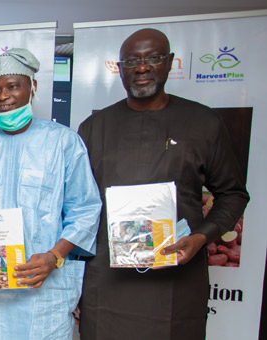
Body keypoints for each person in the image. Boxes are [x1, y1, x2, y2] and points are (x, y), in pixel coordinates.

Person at [77, 28, 250, 339]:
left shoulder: (203, 123)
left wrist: (201, 237)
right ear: (120, 69)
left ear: (170, 63)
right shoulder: (93, 128)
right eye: (131, 60)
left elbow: (233, 194)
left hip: (176, 279)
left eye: (153, 58)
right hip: (106, 281)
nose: (142, 67)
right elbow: (78, 204)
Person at [0, 48, 102, 339]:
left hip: (43, 290)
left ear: (33, 88)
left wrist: (55, 257)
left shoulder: (63, 142)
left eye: (12, 86)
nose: (3, 96)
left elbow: (84, 208)